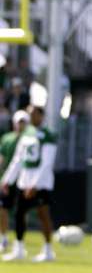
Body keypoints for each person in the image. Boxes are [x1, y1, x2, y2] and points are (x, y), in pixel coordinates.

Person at [0, 106, 57, 262]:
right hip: (24, 180)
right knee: (19, 214)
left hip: (41, 183)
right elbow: (18, 160)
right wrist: (7, 180)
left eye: (34, 114)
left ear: (41, 115)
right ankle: (19, 248)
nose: (31, 117)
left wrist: (35, 184)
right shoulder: (26, 134)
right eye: (30, 114)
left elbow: (47, 162)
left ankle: (48, 250)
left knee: (43, 214)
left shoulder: (48, 135)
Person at [0, 110, 28, 257]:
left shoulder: (30, 138)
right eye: (19, 122)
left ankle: (20, 242)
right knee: (2, 209)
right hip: (8, 179)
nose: (20, 125)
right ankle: (3, 239)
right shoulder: (7, 138)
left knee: (21, 213)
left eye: (23, 122)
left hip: (24, 180)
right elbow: (3, 158)